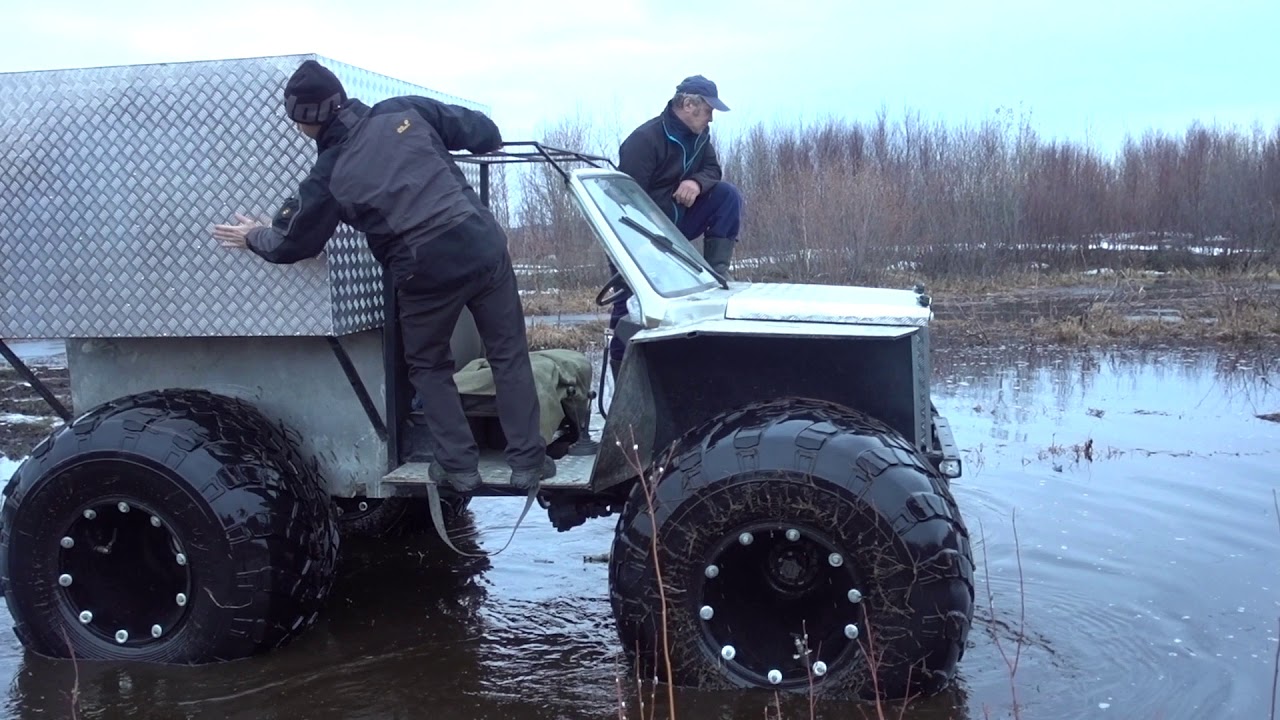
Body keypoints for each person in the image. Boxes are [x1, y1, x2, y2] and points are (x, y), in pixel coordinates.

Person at [212, 60, 554, 494]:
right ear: (341, 97)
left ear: (303, 123)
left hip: (424, 272)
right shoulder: (402, 110)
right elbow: (483, 132)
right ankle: (528, 464)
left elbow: (293, 244)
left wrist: (253, 236)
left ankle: (458, 469)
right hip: (482, 245)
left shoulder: (329, 173)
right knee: (508, 353)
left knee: (430, 365)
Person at [607, 74, 744, 377]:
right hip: (636, 236)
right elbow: (624, 201)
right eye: (708, 111)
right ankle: (622, 387)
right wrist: (641, 251)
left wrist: (696, 182)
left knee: (727, 196)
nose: (711, 119)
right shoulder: (644, 140)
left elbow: (713, 169)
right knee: (629, 309)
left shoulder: (701, 137)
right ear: (688, 104)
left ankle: (716, 274)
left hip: (677, 225)